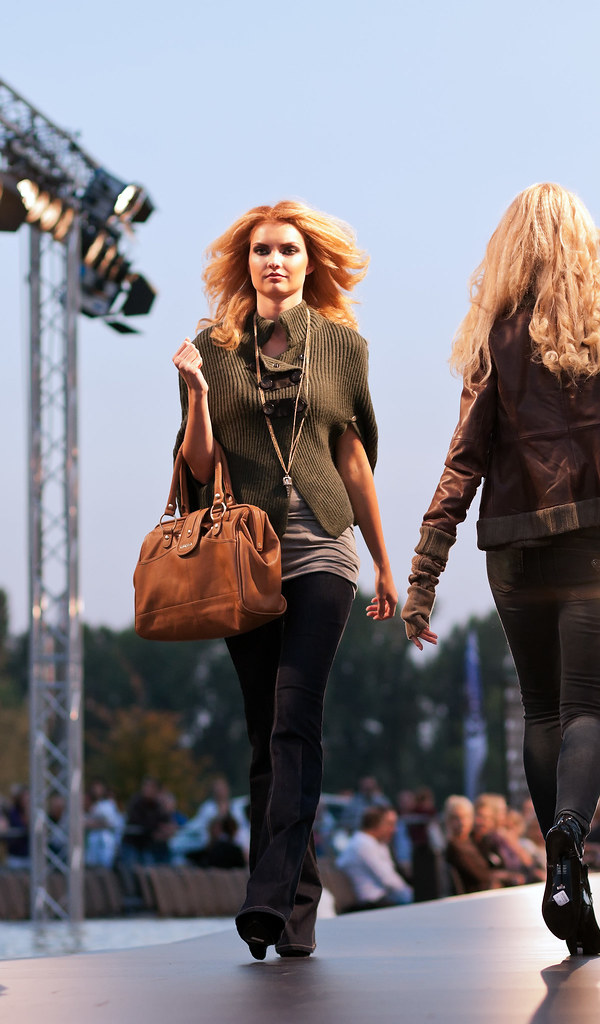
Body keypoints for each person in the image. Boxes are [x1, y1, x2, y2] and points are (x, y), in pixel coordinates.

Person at [402, 183, 600, 956]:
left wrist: (424, 574)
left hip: (513, 552)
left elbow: (462, 462)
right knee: (588, 707)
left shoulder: (492, 341)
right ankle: (567, 839)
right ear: (585, 246)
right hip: (597, 543)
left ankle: (564, 875)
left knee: (540, 713)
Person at [172, 201, 397, 959]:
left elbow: (353, 461)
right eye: (262, 250)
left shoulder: (342, 346)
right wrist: (198, 394)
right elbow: (200, 466)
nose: (275, 261)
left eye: (289, 250)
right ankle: (296, 911)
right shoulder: (211, 347)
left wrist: (384, 562)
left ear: (308, 262)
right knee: (264, 731)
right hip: (243, 555)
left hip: (323, 547)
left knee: (296, 713)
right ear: (246, 264)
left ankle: (265, 896)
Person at [336, 806, 412, 909]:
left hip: (382, 901)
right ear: (376, 824)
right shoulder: (363, 844)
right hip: (370, 905)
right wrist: (413, 897)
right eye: (390, 824)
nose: (394, 829)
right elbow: (388, 880)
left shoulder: (375, 842)